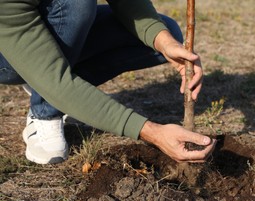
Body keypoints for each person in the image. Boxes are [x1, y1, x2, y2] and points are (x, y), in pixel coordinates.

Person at [0, 0, 215, 164]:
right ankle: (44, 110)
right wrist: (153, 132)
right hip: (6, 49)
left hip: (40, 20)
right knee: (77, 5)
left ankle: (44, 77)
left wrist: (164, 41)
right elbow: (56, 79)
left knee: (164, 31)